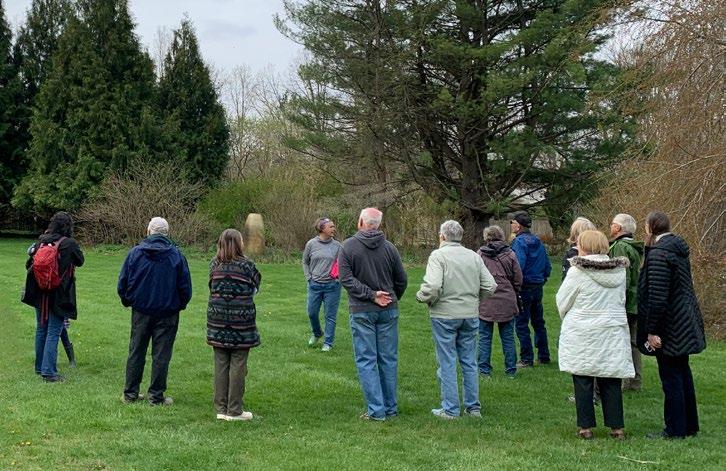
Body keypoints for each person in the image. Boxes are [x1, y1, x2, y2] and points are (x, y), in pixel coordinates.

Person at [557, 230, 634, 440]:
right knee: (611, 377)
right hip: (611, 328)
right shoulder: (619, 272)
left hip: (583, 330)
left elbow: (563, 301)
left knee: (582, 377)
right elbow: (621, 299)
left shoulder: (577, 272)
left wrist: (571, 316)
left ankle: (585, 427)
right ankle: (616, 427)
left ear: (584, 246)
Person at [417, 220, 497, 419]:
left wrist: (422, 297)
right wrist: (474, 300)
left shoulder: (438, 255)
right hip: (470, 315)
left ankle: (451, 409)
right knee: (469, 361)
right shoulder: (473, 256)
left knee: (447, 361)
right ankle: (473, 408)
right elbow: (490, 285)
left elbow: (433, 286)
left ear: (442, 236)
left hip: (444, 315)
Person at [637, 212, 705, 439]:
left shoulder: (660, 254)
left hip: (671, 324)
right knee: (682, 372)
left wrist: (652, 330)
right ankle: (689, 425)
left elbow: (658, 296)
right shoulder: (675, 249)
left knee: (672, 377)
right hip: (683, 319)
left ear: (650, 227)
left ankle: (675, 429)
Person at [338, 207, 408, 421]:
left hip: (362, 310)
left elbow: (346, 279)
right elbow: (401, 279)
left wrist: (372, 296)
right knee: (388, 359)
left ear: (360, 222)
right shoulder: (390, 248)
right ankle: (390, 407)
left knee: (367, 359)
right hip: (387, 309)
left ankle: (377, 411)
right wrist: (386, 297)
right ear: (378, 225)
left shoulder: (347, 247)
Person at [118, 217, 192, 406]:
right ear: (166, 233)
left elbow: (123, 282)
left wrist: (127, 300)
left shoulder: (135, 254)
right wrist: (179, 305)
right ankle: (156, 396)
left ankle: (130, 393)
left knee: (136, 350)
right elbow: (185, 288)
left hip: (142, 310)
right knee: (161, 354)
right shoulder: (176, 255)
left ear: (149, 231)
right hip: (167, 312)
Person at [22, 211, 84, 382]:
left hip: (39, 293)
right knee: (53, 331)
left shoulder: (42, 240)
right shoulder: (69, 243)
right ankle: (49, 372)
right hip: (59, 294)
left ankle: (39, 367)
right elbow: (80, 261)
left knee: (41, 329)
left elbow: (29, 264)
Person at [207, 229, 262, 421]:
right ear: (239, 244)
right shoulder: (248, 265)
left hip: (217, 320)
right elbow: (256, 288)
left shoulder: (214, 264)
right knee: (238, 364)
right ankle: (235, 410)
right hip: (241, 323)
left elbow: (211, 286)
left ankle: (221, 408)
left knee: (221, 364)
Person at [476, 225, 522, 379]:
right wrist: (514, 289)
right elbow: (518, 278)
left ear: (486, 237)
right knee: (508, 337)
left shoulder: (480, 255)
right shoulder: (510, 254)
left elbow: (475, 276)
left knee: (484, 337)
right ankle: (511, 369)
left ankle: (484, 370)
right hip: (507, 299)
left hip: (486, 299)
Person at [510, 211, 552, 367]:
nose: (511, 225)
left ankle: (526, 358)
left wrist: (516, 283)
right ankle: (544, 355)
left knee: (521, 323)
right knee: (538, 321)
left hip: (525, 286)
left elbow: (518, 265)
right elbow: (547, 265)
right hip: (537, 285)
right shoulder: (538, 241)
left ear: (518, 225)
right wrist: (543, 278)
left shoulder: (518, 242)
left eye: (512, 223)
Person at [609, 214, 644, 392]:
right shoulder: (634, 246)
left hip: (626, 302)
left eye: (613, 224)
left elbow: (621, 277)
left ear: (619, 228)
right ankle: (635, 381)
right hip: (635, 300)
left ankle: (624, 380)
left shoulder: (620, 247)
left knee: (622, 342)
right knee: (633, 342)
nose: (610, 226)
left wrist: (617, 302)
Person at [302, 217, 343, 351]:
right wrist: (309, 278)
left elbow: (342, 264)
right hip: (314, 285)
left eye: (333, 226)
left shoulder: (338, 246)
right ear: (322, 229)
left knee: (330, 316)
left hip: (332, 286)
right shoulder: (311, 244)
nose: (334, 229)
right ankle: (317, 333)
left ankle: (328, 343)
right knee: (312, 313)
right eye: (331, 227)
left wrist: (338, 279)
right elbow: (305, 262)